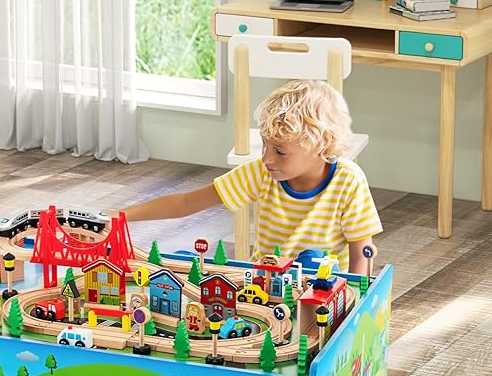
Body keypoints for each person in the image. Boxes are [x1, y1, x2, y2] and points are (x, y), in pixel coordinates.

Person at [119, 79, 382, 274]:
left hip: (324, 284)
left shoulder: (348, 180)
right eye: (265, 145)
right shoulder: (260, 173)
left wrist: (353, 300)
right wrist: (120, 217)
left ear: (320, 146)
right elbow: (185, 204)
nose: (267, 158)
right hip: (265, 282)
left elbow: (361, 254)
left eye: (280, 151)